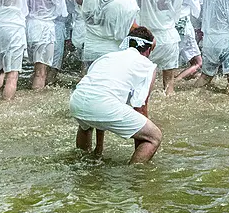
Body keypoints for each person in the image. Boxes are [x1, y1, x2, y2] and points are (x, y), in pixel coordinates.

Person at [69, 25, 162, 163]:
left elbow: (98, 95)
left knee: (86, 124)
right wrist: (142, 140)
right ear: (148, 50)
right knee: (154, 136)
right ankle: (136, 175)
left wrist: (99, 148)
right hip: (101, 104)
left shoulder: (108, 56)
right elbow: (141, 107)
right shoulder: (147, 65)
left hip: (77, 101)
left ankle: (85, 160)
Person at [130, 0, 185, 95]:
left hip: (146, 39)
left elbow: (132, 13)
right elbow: (176, 12)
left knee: (141, 85)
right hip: (168, 38)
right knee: (169, 86)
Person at [27, 0, 74, 90]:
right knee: (42, 73)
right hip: (46, 28)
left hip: (29, 26)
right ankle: (37, 101)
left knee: (36, 69)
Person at [80, 0, 140, 68]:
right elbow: (132, 29)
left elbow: (78, 0)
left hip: (90, 51)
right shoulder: (127, 1)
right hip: (112, 53)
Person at [172, 0, 204, 84]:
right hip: (184, 22)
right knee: (198, 62)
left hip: (170, 22)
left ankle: (171, 79)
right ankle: (173, 82)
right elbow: (195, 1)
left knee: (172, 59)